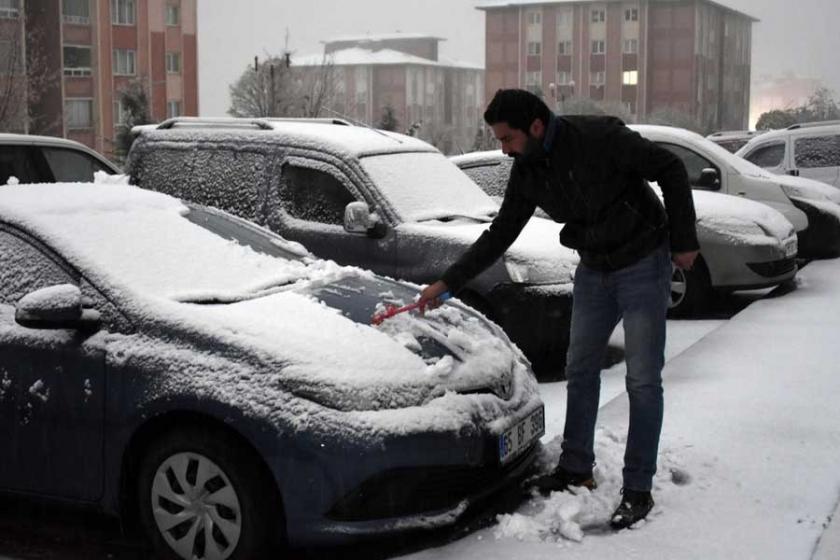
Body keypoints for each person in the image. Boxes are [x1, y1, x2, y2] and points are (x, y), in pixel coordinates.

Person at [419, 89, 699, 529]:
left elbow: (670, 167)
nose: (503, 149)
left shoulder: (599, 137)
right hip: (594, 267)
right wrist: (448, 282)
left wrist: (684, 239)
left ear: (535, 126)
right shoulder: (528, 168)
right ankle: (576, 467)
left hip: (643, 260)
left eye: (507, 138)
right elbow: (502, 231)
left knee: (643, 379)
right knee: (581, 368)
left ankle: (638, 488)